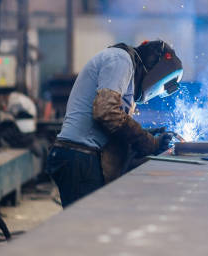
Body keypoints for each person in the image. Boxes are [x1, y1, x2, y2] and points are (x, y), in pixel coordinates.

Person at [46, 40, 183, 207]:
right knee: (87, 228)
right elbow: (106, 111)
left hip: (84, 157)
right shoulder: (121, 60)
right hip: (80, 158)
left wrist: (149, 134)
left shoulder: (125, 72)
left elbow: (116, 123)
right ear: (154, 69)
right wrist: (148, 141)